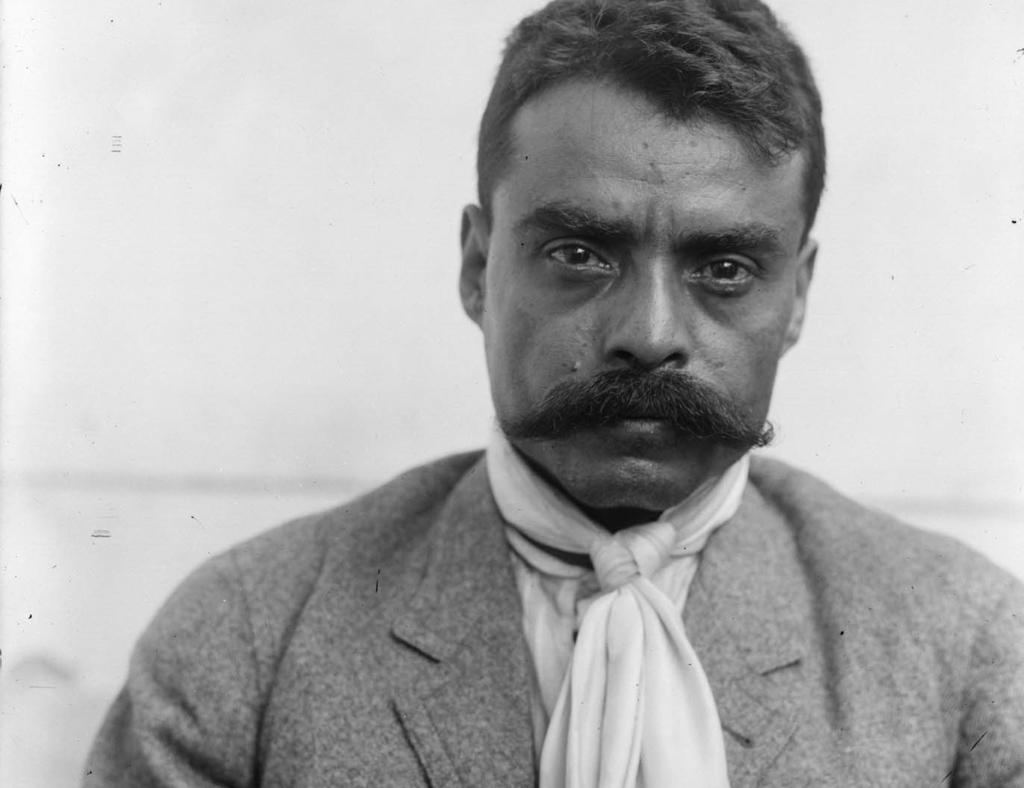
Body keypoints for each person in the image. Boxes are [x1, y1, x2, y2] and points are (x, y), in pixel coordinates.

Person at [83, 1, 1024, 785]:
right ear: (477, 267)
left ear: (799, 297)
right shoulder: (243, 640)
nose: (649, 333)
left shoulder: (969, 648)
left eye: (725, 268)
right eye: (580, 253)